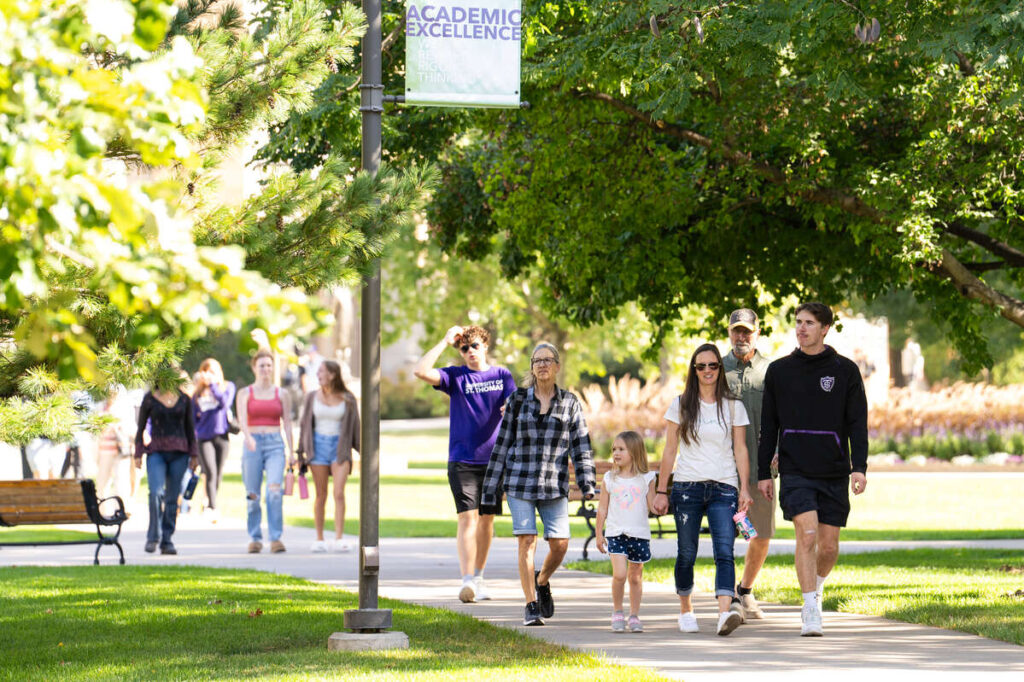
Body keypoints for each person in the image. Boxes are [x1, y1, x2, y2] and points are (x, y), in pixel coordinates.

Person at [757, 302, 868, 637]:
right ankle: (809, 609)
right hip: (796, 469)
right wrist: (765, 472)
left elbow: (857, 423)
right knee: (806, 535)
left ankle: (816, 590)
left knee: (829, 547)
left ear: (825, 328)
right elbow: (769, 425)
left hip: (833, 470)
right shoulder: (779, 370)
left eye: (809, 323)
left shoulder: (845, 371)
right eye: (798, 322)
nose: (801, 328)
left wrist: (858, 467)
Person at [481, 342, 596, 627]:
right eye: (537, 360)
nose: (543, 364)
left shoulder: (569, 402)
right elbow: (503, 444)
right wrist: (491, 489)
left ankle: (542, 580)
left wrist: (587, 482)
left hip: (554, 485)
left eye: (548, 360)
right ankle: (531, 604)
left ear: (557, 366)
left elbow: (580, 447)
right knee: (527, 540)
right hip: (520, 482)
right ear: (532, 368)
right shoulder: (518, 400)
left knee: (560, 544)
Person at [652, 343, 753, 636]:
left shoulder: (734, 405)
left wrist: (744, 488)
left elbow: (741, 449)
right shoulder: (681, 404)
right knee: (687, 552)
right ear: (693, 370)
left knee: (725, 551)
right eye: (701, 366)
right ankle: (686, 610)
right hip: (687, 488)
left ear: (720, 369)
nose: (707, 370)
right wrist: (661, 490)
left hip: (724, 487)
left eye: (712, 365)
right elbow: (670, 450)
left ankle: (724, 614)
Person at [414, 325, 516, 603]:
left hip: (495, 461)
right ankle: (467, 580)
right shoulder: (455, 377)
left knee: (487, 521)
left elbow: (513, 402)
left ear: (485, 346)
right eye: (464, 348)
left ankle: (479, 578)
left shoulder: (502, 375)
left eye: (475, 346)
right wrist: (443, 341)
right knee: (467, 517)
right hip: (462, 459)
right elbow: (421, 371)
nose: (470, 352)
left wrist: (510, 407)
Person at [722, 308, 774, 620]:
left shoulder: (771, 370)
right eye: (736, 331)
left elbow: (782, 416)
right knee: (724, 536)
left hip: (760, 470)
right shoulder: (715, 367)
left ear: (756, 332)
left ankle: (745, 589)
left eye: (747, 331)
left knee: (761, 535)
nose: (741, 337)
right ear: (729, 332)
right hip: (723, 471)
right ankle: (727, 598)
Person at [594, 431, 657, 633]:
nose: (616, 453)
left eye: (621, 449)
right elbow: (602, 508)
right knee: (620, 574)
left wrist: (661, 504)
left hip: (639, 533)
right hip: (616, 532)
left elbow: (653, 506)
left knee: (636, 577)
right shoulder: (609, 478)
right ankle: (618, 611)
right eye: (614, 449)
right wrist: (598, 533)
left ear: (635, 451)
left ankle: (634, 615)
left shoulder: (646, 478)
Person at [237, 349, 296, 554]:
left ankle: (275, 538)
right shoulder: (245, 393)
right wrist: (248, 437)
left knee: (274, 492)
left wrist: (292, 451)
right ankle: (255, 538)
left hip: (275, 444)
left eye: (269, 365)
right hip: (253, 444)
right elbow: (242, 420)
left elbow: (287, 423)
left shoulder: (282, 394)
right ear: (254, 368)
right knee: (252, 495)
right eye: (262, 365)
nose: (265, 369)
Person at [297, 359, 360, 553]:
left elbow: (356, 428)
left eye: (321, 372)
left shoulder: (348, 398)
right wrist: (300, 453)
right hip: (317, 448)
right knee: (321, 495)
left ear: (332, 374)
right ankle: (320, 538)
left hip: (339, 448)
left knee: (339, 493)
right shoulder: (311, 397)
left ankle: (340, 537)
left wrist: (363, 453)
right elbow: (304, 426)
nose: (318, 375)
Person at [133, 375, 199, 555]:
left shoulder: (184, 399)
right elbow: (140, 428)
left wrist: (194, 454)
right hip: (156, 452)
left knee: (172, 497)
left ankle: (167, 539)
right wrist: (138, 453)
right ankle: (153, 536)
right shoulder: (149, 398)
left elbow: (190, 428)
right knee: (155, 492)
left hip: (180, 453)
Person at [193, 358, 236, 522]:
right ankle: (212, 506)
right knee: (209, 471)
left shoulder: (227, 387)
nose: (209, 375)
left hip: (222, 435)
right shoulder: (198, 393)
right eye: (206, 372)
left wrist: (213, 386)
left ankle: (209, 501)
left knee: (218, 473)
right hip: (204, 438)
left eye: (213, 371)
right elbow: (192, 416)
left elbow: (224, 403)